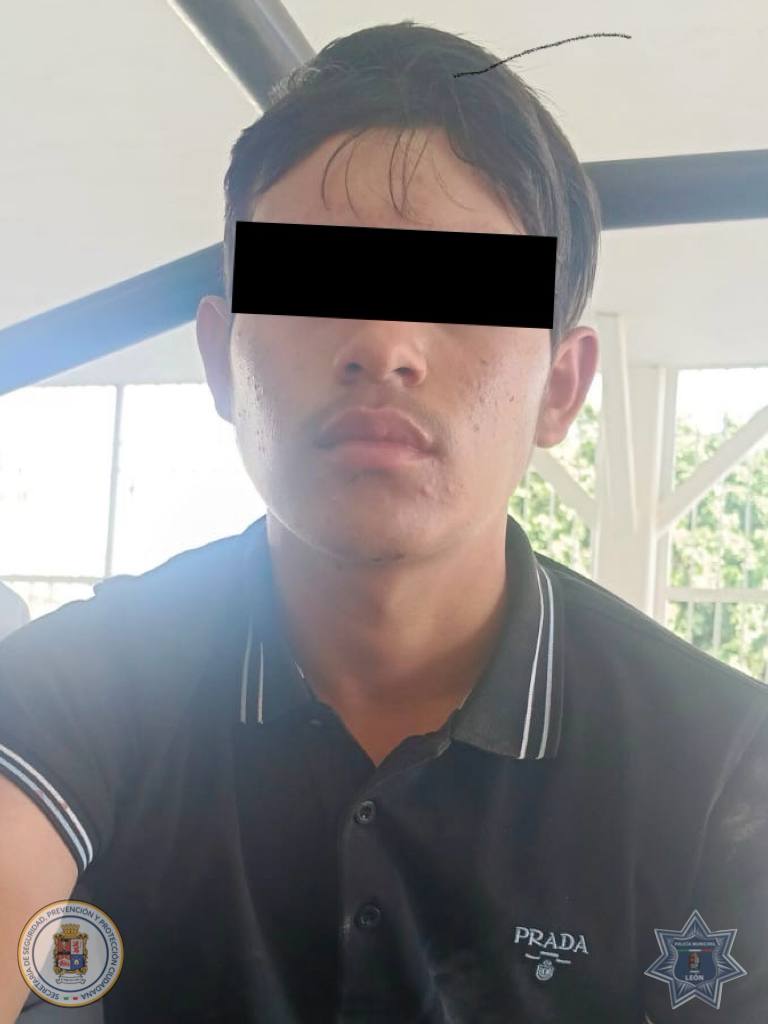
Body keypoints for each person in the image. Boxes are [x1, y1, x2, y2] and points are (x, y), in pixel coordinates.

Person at [1, 20, 766, 1024]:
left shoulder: (720, 767)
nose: (382, 342)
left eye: (461, 293)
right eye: (317, 283)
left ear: (560, 388)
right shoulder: (81, 689)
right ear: (221, 358)